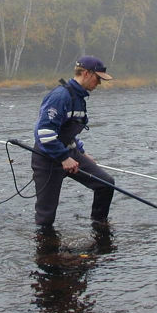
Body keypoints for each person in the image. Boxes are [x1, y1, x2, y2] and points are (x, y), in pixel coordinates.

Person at [31, 56, 115, 226]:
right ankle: (46, 249)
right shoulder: (60, 96)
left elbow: (67, 130)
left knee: (106, 184)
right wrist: (64, 158)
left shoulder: (79, 98)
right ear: (86, 73)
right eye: (98, 78)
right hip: (48, 159)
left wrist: (81, 152)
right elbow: (44, 133)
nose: (99, 83)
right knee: (46, 217)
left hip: (69, 153)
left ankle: (99, 226)